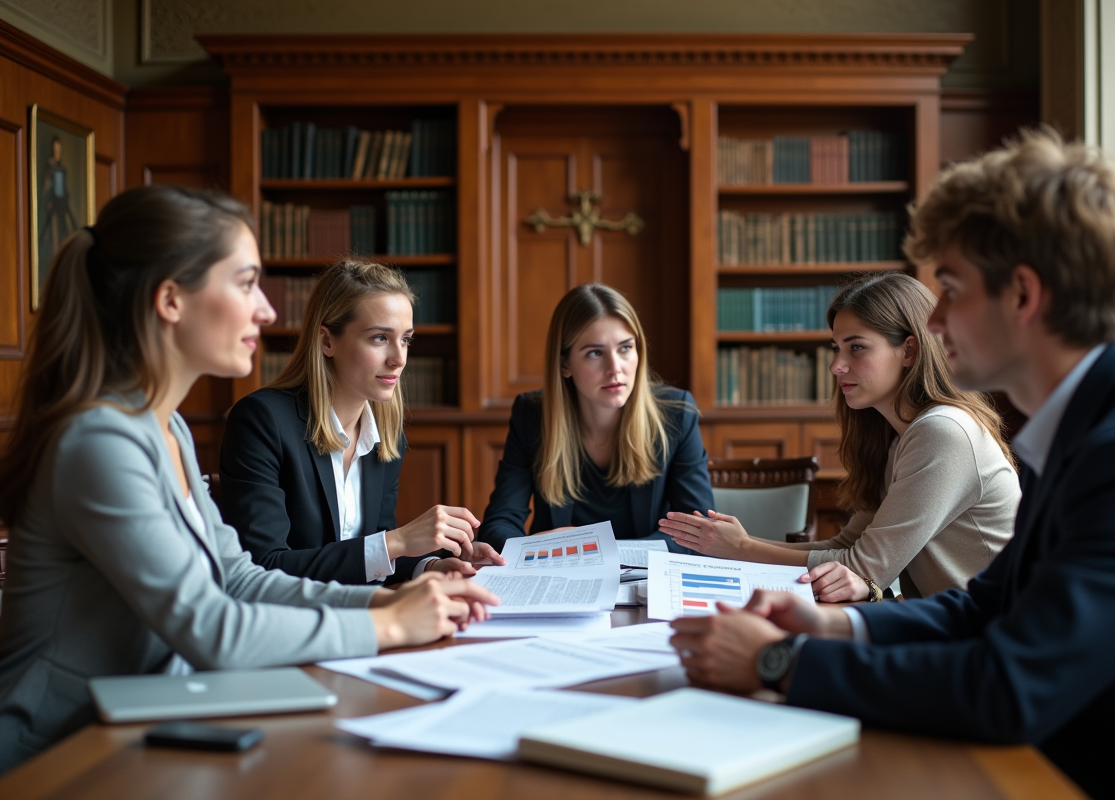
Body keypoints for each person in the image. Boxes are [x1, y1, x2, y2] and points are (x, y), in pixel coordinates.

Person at [667, 130, 1115, 800]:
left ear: (1023, 295)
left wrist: (780, 662)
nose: (937, 319)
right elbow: (985, 605)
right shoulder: (1084, 421)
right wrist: (836, 625)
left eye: (950, 289)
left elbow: (1011, 687)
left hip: (1093, 776)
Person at [0, 186, 497, 773]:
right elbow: (212, 628)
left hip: (144, 720)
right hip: (59, 753)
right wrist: (386, 621)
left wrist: (399, 597)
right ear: (170, 301)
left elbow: (237, 577)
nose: (265, 309)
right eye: (244, 283)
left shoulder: (168, 432)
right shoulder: (98, 443)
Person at [659, 272, 1018, 602]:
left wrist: (741, 549)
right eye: (835, 348)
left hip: (995, 642)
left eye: (856, 347)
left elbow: (863, 566)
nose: (836, 366)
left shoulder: (943, 433)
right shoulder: (899, 440)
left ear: (909, 351)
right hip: (950, 630)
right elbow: (846, 544)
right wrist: (737, 542)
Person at [219, 260, 504, 586]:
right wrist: (398, 540)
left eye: (406, 339)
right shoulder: (261, 420)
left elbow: (368, 553)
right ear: (327, 341)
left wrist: (431, 566)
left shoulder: (386, 434)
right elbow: (263, 567)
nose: (399, 359)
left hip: (366, 615)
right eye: (380, 338)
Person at [478, 283, 713, 550]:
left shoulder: (676, 414)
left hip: (647, 582)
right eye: (595, 353)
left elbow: (698, 532)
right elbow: (499, 523)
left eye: (625, 348)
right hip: (560, 580)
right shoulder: (532, 414)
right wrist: (534, 546)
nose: (615, 369)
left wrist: (592, 547)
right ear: (565, 364)